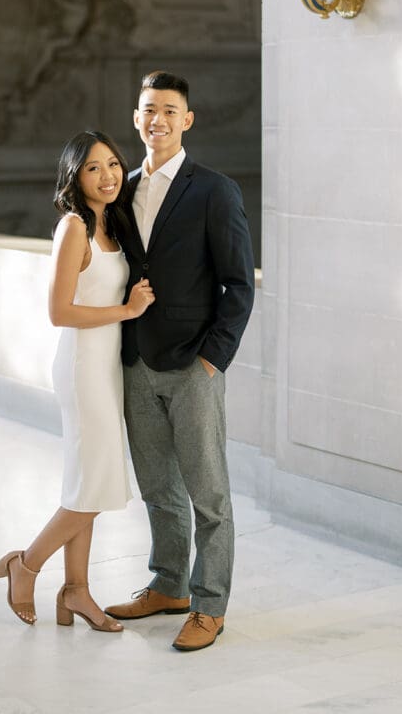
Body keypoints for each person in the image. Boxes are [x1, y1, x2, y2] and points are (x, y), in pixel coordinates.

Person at [104, 70, 255, 652]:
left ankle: (209, 605)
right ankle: (169, 586)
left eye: (169, 110)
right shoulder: (122, 188)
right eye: (148, 109)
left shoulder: (214, 190)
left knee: (208, 494)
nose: (157, 120)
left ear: (186, 120)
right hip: (136, 362)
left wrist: (212, 362)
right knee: (158, 489)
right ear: (136, 118)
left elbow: (239, 286)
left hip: (194, 366)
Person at [0, 130, 155, 633]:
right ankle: (27, 565)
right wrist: (127, 309)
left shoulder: (110, 225)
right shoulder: (75, 228)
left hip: (106, 366)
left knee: (89, 483)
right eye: (92, 168)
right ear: (75, 177)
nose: (107, 176)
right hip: (84, 366)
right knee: (92, 487)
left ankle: (76, 591)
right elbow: (58, 311)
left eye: (112, 164)